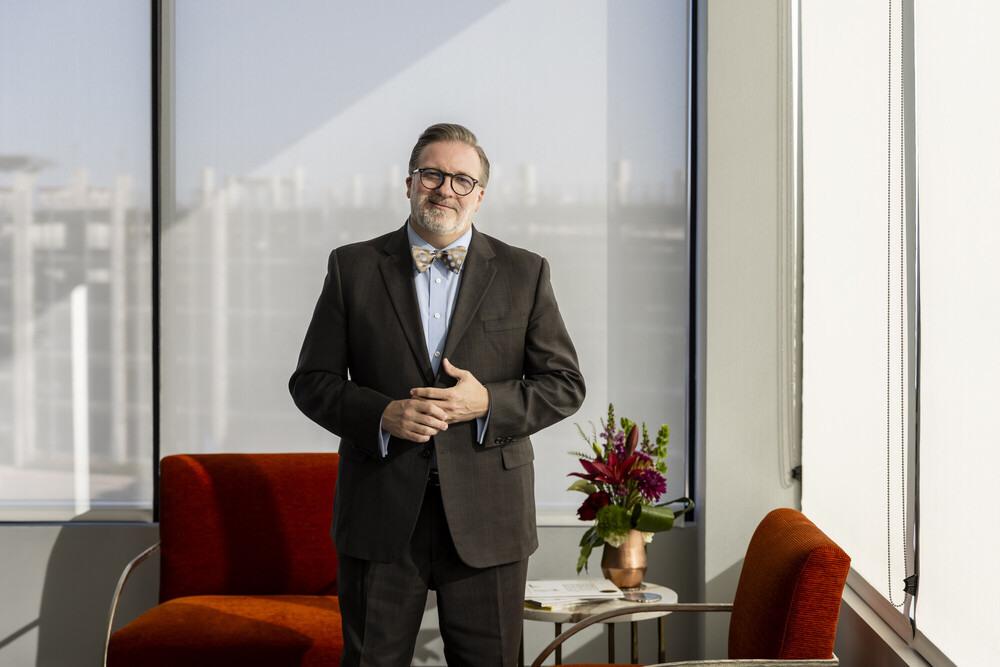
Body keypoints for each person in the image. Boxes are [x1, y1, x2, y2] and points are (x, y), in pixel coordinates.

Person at [289, 122, 585, 667]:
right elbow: (311, 382)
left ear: (480, 195)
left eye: (462, 179)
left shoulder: (525, 272)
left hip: (489, 518)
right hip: (380, 511)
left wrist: (488, 404)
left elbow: (565, 386)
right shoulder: (352, 267)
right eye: (433, 174)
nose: (445, 189)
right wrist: (382, 414)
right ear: (408, 183)